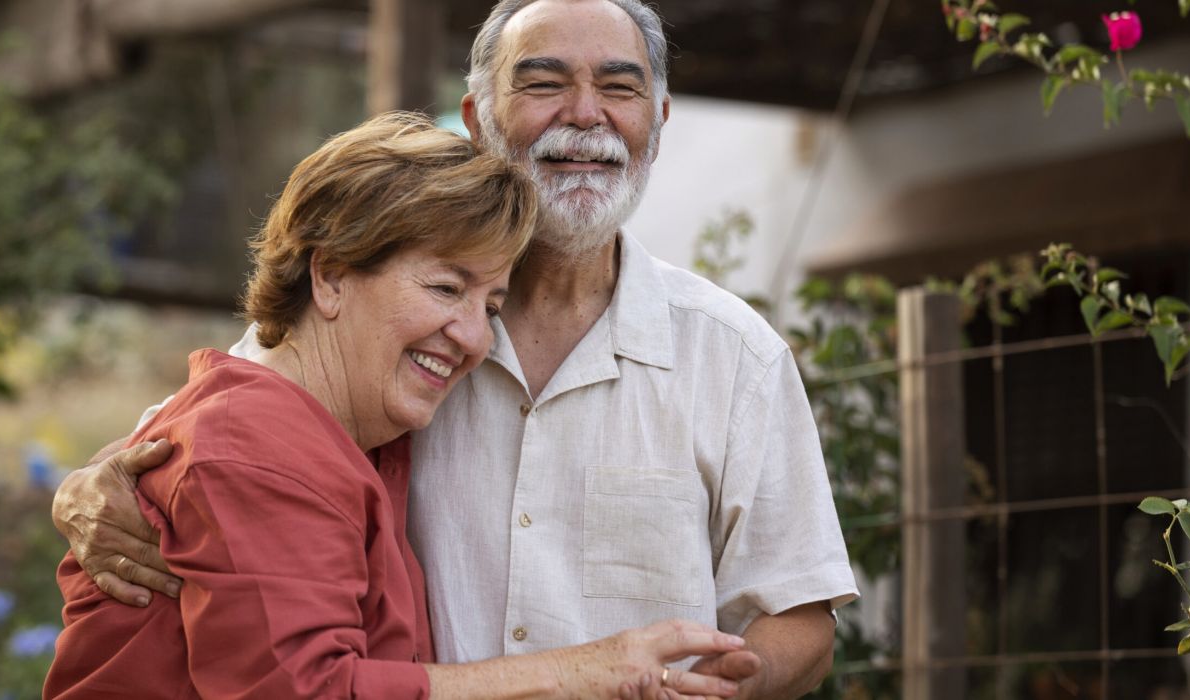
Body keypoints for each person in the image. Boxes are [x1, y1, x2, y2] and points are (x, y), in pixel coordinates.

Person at [53, 1, 859, 698]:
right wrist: (88, 486)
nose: (585, 114)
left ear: (658, 120)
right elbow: (221, 433)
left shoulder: (734, 355)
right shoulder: (378, 333)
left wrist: (710, 683)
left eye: (619, 87)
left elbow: (800, 617)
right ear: (476, 118)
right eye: (544, 83)